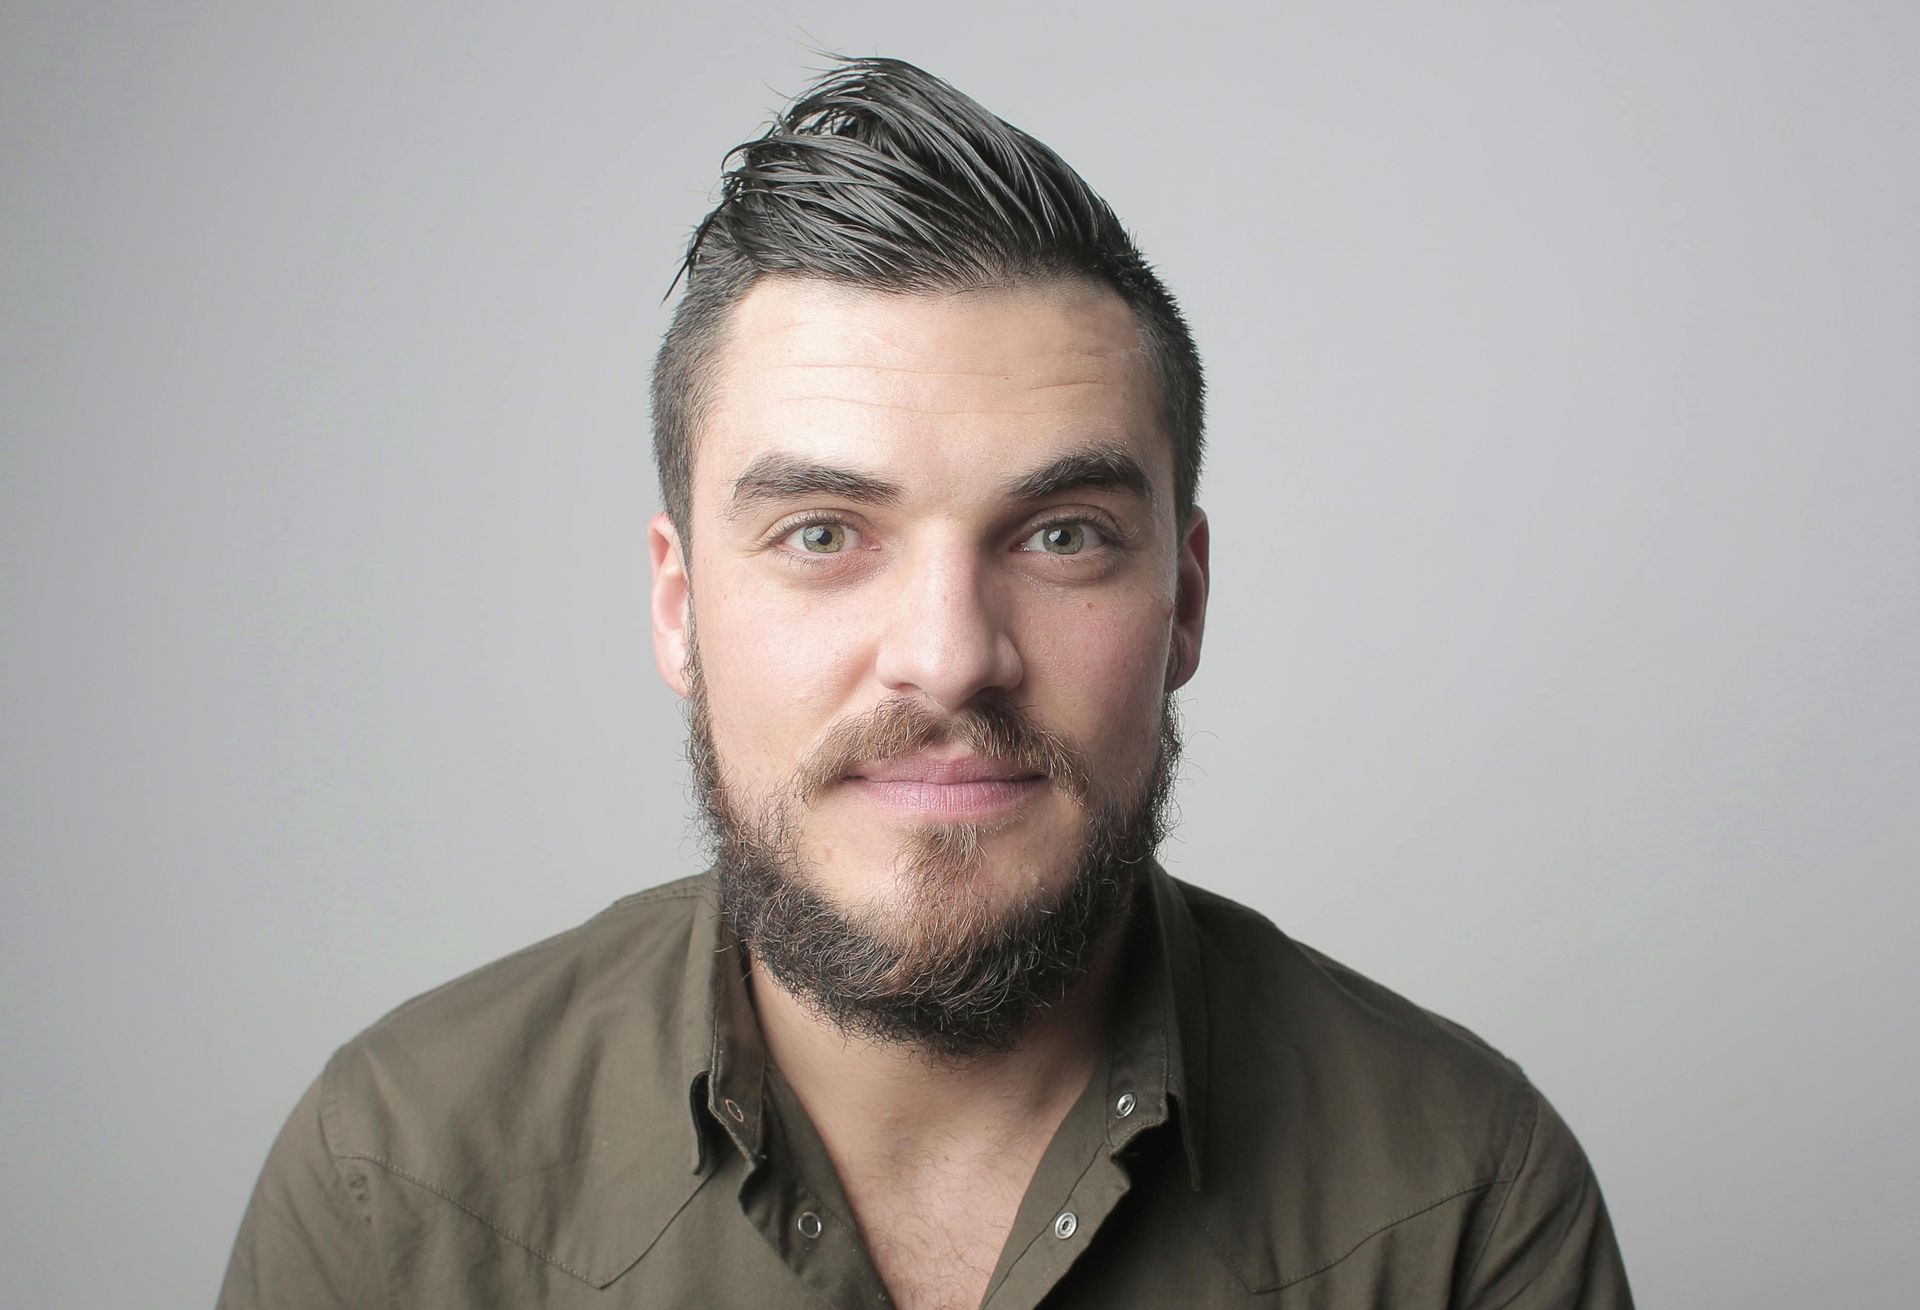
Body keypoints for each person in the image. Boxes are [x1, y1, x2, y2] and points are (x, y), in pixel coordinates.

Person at [220, 56, 1632, 1309]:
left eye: (1061, 535)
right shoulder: (395, 1185)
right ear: (680, 604)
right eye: (823, 534)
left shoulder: (1463, 1202)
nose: (951, 656)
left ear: (1185, 601)